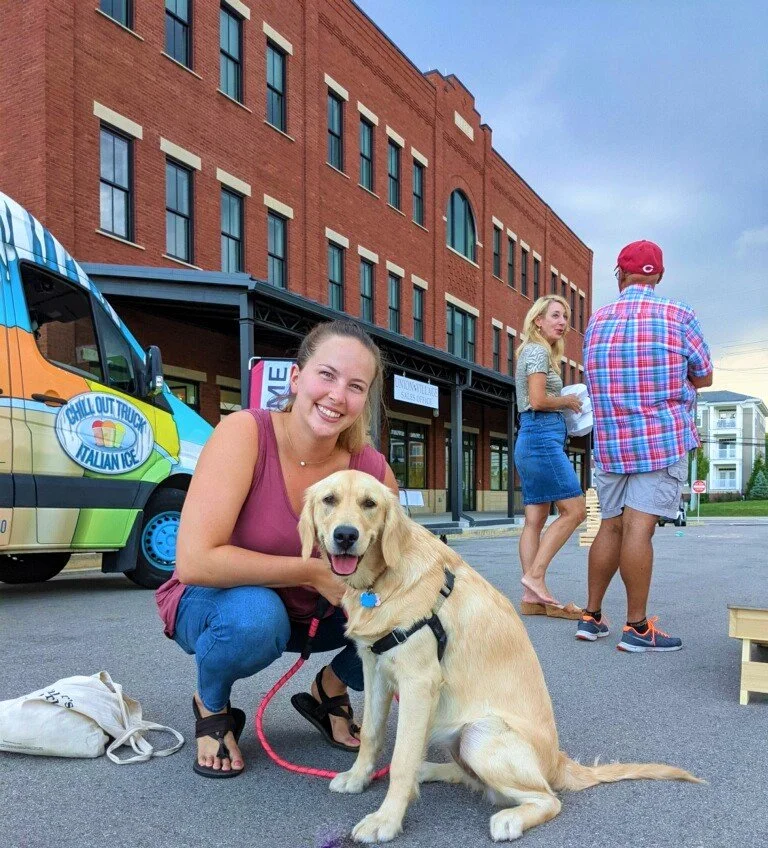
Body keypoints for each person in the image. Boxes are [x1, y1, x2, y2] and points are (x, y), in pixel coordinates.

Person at [155, 320, 399, 777]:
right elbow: (194, 561)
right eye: (326, 375)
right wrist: (310, 572)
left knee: (407, 611)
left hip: (324, 610)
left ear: (364, 400)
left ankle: (331, 688)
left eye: (355, 386)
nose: (336, 396)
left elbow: (401, 564)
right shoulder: (245, 434)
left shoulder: (371, 470)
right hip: (222, 602)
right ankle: (211, 705)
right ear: (295, 377)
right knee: (256, 616)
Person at [577, 240, 712, 651]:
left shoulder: (598, 320)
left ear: (620, 274)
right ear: (659, 275)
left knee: (609, 525)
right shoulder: (679, 314)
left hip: (612, 442)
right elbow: (703, 375)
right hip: (659, 439)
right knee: (640, 528)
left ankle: (592, 616)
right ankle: (636, 628)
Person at [514, 295, 587, 619]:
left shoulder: (538, 352)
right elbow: (538, 399)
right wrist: (568, 401)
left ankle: (532, 597)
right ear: (538, 320)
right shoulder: (536, 350)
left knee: (535, 520)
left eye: (565, 317)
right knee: (575, 510)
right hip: (541, 438)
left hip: (532, 438)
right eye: (555, 315)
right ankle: (535, 577)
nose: (562, 322)